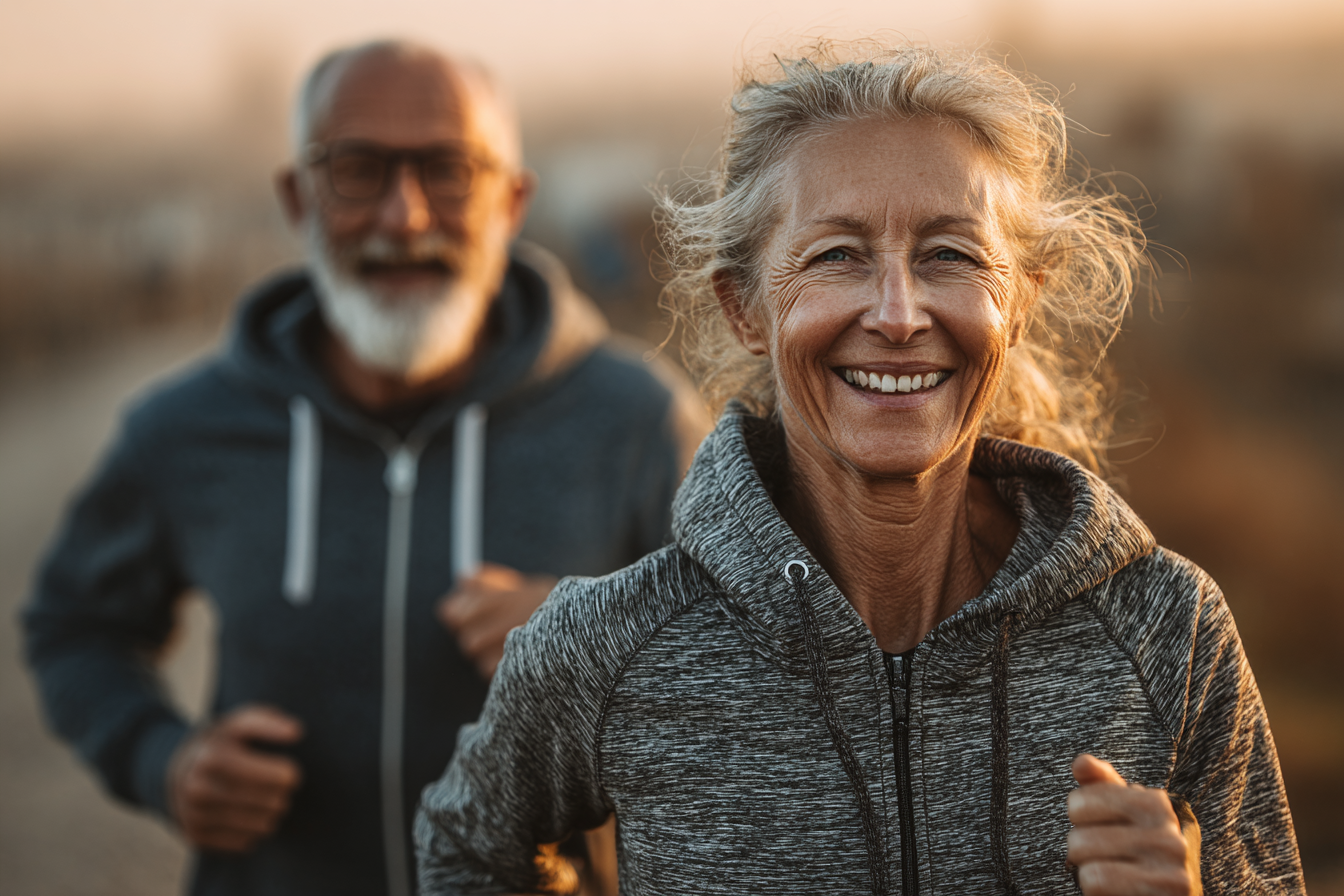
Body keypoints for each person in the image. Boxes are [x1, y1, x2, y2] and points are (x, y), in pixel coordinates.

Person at [415, 44, 1305, 896]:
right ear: (745, 307)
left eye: (950, 255)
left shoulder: (1164, 632)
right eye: (836, 255)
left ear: (1020, 301)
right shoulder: (612, 644)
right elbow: (466, 848)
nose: (897, 313)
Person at [23, 39, 707, 896]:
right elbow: (74, 624)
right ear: (296, 198)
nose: (404, 217)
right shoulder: (188, 427)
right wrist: (160, 757)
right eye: (357, 169)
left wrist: (602, 644)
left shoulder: (635, 420)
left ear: (511, 202)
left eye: (448, 171)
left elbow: (768, 673)